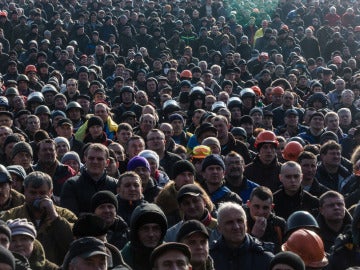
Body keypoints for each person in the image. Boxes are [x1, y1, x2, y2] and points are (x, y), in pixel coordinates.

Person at [1, 171, 76, 265]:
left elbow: (74, 243)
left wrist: (54, 217)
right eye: (33, 193)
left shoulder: (66, 215)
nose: (37, 197)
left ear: (51, 192)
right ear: (25, 191)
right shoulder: (10, 216)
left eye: (42, 193)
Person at [210, 201, 274, 270]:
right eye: (229, 222)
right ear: (219, 228)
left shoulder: (266, 259)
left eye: (240, 221)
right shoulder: (209, 258)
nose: (236, 227)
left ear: (246, 224)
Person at [60, 143, 118, 216]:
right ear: (85, 159)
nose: (95, 162)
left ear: (107, 162)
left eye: (100, 159)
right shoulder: (71, 185)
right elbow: (70, 215)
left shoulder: (115, 184)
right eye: (91, 158)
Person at [121, 203, 167, 270]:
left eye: (155, 228)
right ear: (136, 232)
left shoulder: (170, 253)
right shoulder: (123, 258)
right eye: (145, 229)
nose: (151, 234)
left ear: (162, 232)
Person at [155, 160, 197, 227]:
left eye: (190, 174)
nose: (187, 179)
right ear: (174, 178)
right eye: (183, 175)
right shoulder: (164, 201)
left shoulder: (202, 197)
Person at [245, 186, 286, 253]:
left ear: (272, 207)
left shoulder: (279, 224)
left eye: (265, 208)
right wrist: (254, 236)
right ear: (248, 204)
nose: (261, 212)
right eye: (256, 206)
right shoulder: (239, 222)